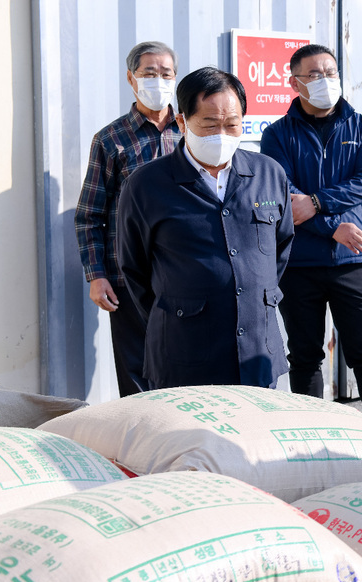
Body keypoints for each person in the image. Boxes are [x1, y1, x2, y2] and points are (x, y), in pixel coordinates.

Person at [118, 67, 294, 389]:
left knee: (253, 437)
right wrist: (182, 309)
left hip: (258, 351)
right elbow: (134, 270)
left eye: (231, 124)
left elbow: (280, 250)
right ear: (183, 122)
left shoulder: (269, 174)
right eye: (210, 124)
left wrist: (251, 294)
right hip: (184, 354)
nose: (222, 135)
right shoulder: (146, 185)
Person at [260, 44, 362, 430]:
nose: (325, 80)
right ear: (294, 82)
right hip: (299, 261)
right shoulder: (277, 135)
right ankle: (311, 434)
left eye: (330, 73)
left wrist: (316, 202)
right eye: (314, 74)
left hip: (353, 259)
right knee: (304, 356)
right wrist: (331, 226)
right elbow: (284, 197)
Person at [74, 41, 180, 396]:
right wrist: (96, 275)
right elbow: (90, 215)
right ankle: (141, 445)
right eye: (149, 73)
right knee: (136, 369)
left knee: (184, 364)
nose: (158, 80)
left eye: (166, 73)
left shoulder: (191, 132)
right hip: (127, 276)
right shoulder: (110, 139)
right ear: (132, 79)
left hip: (184, 273)